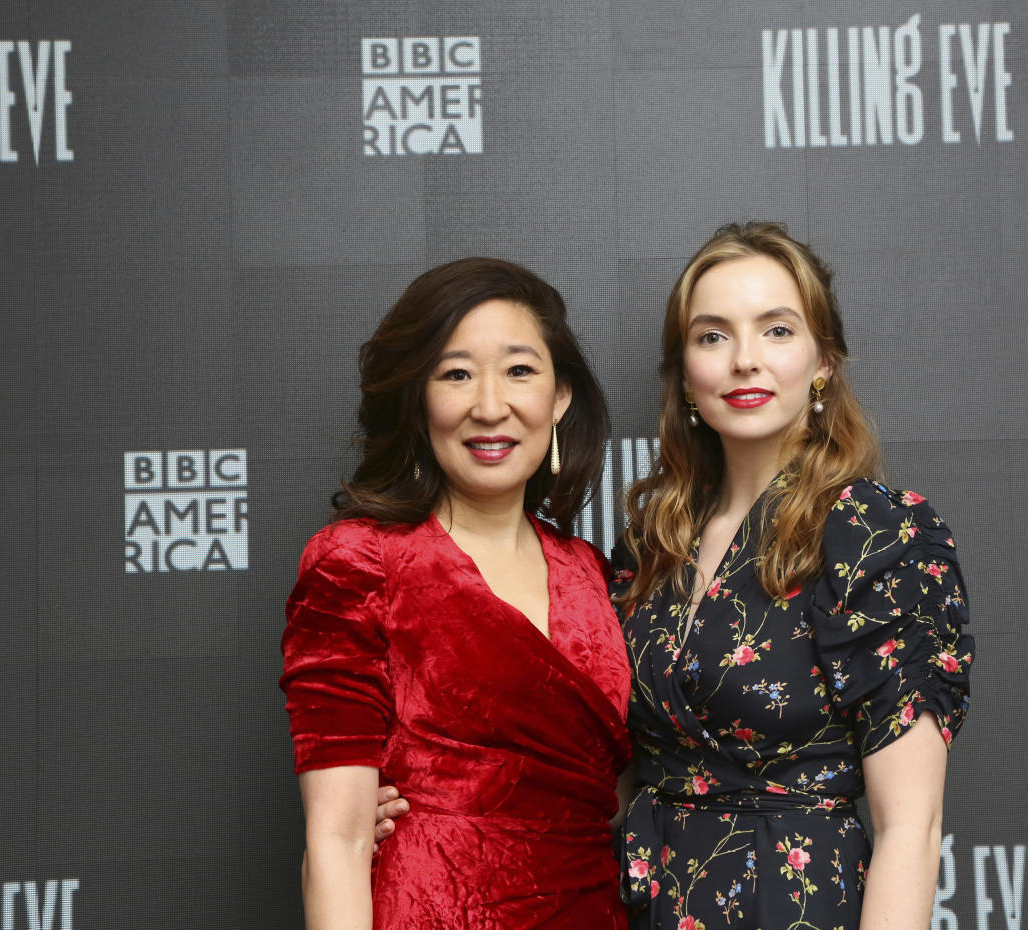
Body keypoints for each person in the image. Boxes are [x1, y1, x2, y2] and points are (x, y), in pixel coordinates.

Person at [373, 222, 975, 930]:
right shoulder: (652, 546)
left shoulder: (876, 533)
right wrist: (429, 807)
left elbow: (912, 824)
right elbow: (592, 767)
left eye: (777, 331)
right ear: (686, 373)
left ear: (825, 361)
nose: (745, 360)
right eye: (712, 336)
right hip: (646, 904)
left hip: (797, 906)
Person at [280, 257, 632, 929]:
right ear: (418, 398)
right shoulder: (357, 562)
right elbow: (337, 842)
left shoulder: (591, 571)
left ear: (560, 397)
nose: (490, 405)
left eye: (520, 370)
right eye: (457, 374)